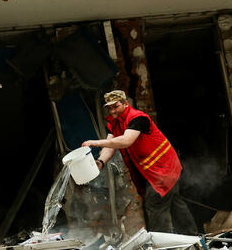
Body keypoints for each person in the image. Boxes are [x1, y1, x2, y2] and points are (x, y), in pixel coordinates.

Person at [82, 89, 197, 234]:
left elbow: (126, 141)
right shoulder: (115, 122)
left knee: (154, 204)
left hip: (163, 169)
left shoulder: (137, 118)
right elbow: (110, 145)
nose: (112, 111)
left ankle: (162, 244)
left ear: (125, 104)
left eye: (115, 106)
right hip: (154, 171)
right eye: (109, 108)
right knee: (174, 202)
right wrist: (100, 162)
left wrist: (94, 142)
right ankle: (192, 236)